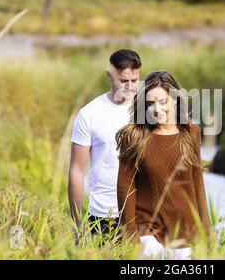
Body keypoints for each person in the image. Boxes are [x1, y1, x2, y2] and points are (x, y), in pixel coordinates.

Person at [116, 71, 211, 259]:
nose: (157, 109)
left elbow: (197, 183)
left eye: (162, 102)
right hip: (147, 230)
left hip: (185, 232)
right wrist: (130, 234)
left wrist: (206, 233)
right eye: (150, 103)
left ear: (174, 100)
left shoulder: (191, 132)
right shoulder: (135, 136)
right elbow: (125, 188)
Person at [68, 49, 141, 241]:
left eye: (135, 80)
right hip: (102, 217)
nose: (130, 86)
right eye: (124, 81)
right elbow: (77, 170)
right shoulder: (89, 114)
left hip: (142, 214)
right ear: (110, 75)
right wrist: (78, 223)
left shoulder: (148, 109)